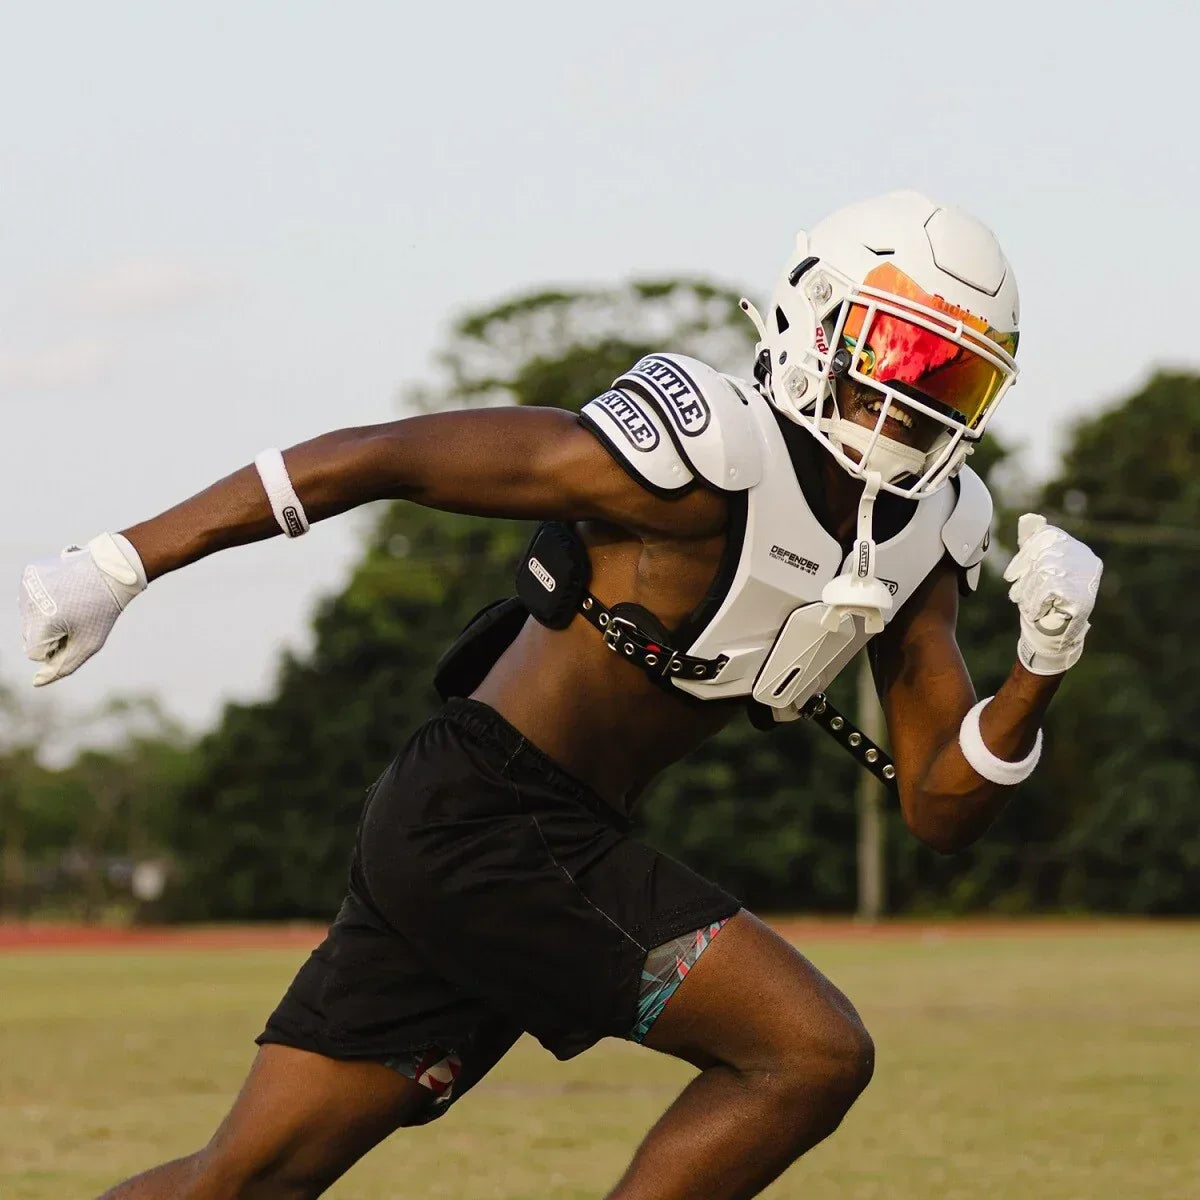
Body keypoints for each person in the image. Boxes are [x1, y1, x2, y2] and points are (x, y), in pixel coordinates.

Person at [18, 191, 1102, 1200]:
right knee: (809, 1053)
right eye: (903, 355)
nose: (913, 401)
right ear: (816, 320)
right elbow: (384, 457)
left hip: (511, 833)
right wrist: (121, 563)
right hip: (487, 813)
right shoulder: (702, 451)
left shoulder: (921, 533)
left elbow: (940, 807)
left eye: (953, 381)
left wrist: (1040, 666)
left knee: (243, 1181)